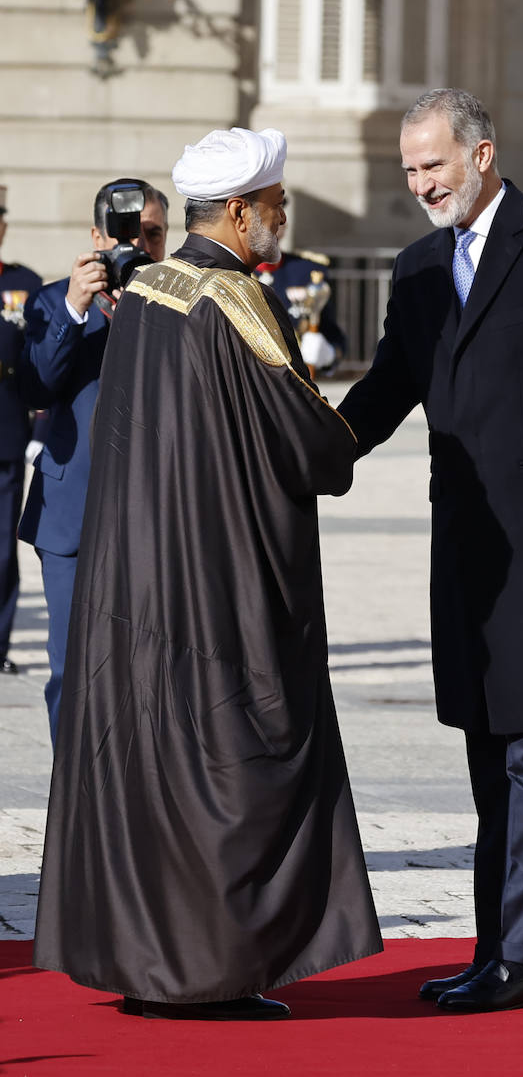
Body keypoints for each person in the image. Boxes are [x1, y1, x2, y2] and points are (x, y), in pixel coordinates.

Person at [33, 126, 381, 1020]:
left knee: (154, 762)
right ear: (236, 211)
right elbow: (308, 442)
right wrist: (351, 430)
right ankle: (207, 974)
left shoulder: (148, 290)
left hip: (138, 576)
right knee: (230, 761)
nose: (281, 218)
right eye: (274, 205)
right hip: (218, 578)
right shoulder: (234, 299)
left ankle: (147, 964)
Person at [339, 88, 523, 1013]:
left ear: (480, 155)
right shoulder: (419, 266)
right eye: (409, 170)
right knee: (488, 756)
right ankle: (492, 952)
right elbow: (389, 385)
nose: (421, 184)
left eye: (432, 164)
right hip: (469, 553)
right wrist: (308, 449)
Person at [18, 180, 168, 741]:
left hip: (157, 515)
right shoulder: (52, 301)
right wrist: (75, 310)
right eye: (125, 232)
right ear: (96, 236)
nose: (138, 244)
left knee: (151, 671)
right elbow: (35, 387)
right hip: (71, 514)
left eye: (152, 234)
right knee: (73, 668)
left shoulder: (184, 304)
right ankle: (73, 789)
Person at [0, 187, 42, 674]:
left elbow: (42, 363)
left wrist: (41, 429)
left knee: (0, 548)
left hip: (5, 430)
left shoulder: (24, 285)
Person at [256, 248, 347, 373]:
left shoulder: (308, 269)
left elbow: (333, 335)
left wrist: (329, 354)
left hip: (293, 377)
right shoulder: (232, 271)